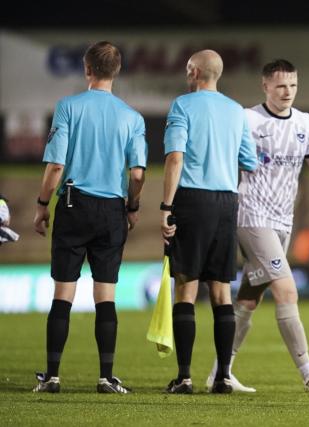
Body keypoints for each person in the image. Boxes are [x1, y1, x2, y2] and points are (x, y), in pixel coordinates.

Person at [204, 59, 309, 393]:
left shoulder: (305, 123)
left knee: (249, 301)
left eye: (292, 85)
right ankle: (308, 372)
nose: (287, 92)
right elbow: (222, 160)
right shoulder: (248, 119)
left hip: (283, 223)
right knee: (287, 290)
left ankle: (219, 374)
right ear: (265, 86)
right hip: (251, 217)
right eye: (280, 86)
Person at [32, 41, 147, 394]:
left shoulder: (68, 107)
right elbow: (138, 173)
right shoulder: (132, 117)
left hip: (73, 204)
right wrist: (131, 207)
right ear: (117, 70)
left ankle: (52, 376)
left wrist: (41, 205)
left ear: (87, 69)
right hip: (112, 209)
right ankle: (106, 377)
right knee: (106, 296)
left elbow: (55, 165)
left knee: (63, 294)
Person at [161, 49, 258, 394]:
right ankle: (222, 378)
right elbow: (249, 160)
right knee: (220, 291)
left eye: (188, 69)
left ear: (194, 72)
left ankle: (185, 377)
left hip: (191, 199)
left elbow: (175, 158)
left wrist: (165, 206)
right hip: (225, 202)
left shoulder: (182, 106)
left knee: (186, 287)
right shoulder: (236, 111)